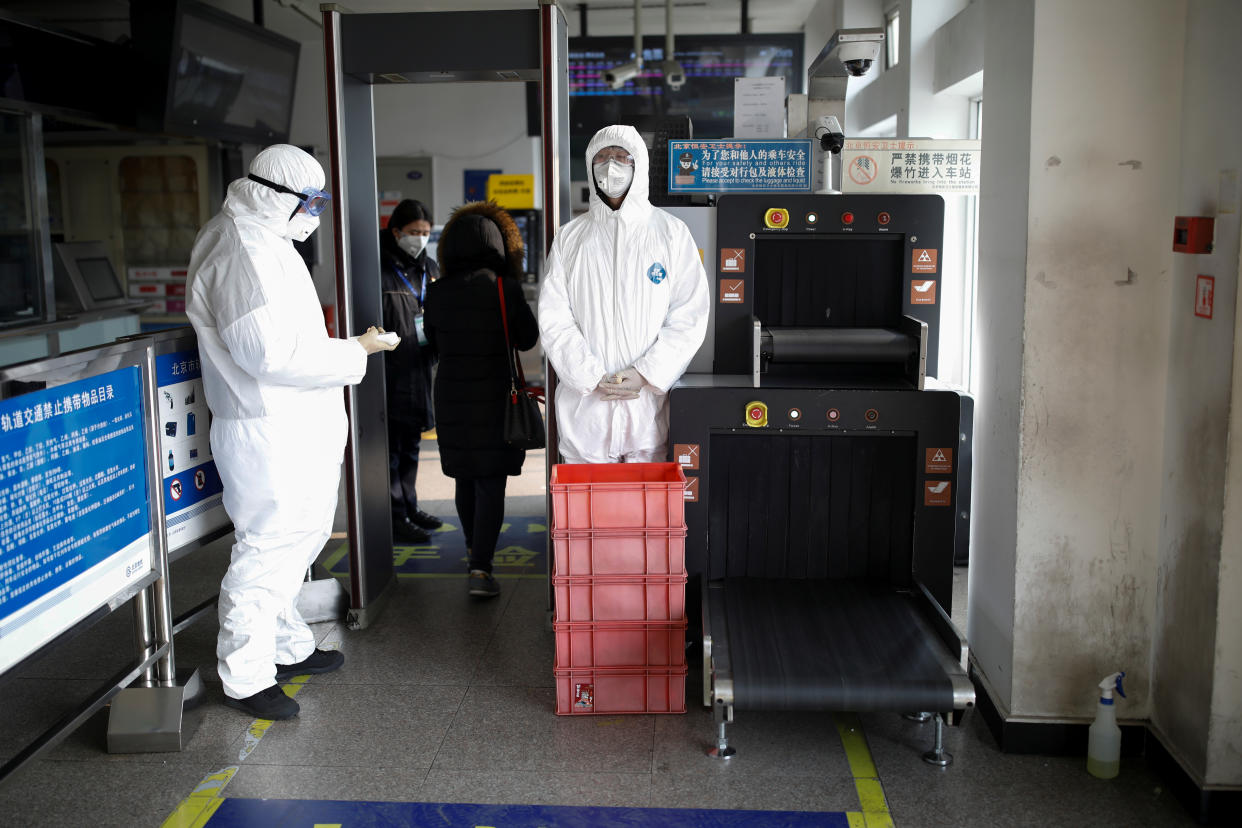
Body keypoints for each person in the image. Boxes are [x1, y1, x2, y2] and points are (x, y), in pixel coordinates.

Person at [186, 144, 397, 720]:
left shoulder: (265, 239)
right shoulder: (240, 250)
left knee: (298, 544)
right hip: (267, 431)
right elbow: (269, 356)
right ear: (270, 194)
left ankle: (282, 646)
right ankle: (246, 675)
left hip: (295, 426)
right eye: (310, 202)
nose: (315, 213)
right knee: (267, 552)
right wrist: (355, 350)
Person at [538, 124, 710, 463]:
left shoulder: (670, 233)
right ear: (589, 167)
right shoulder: (570, 239)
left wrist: (646, 373)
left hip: (646, 411)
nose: (610, 166)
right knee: (587, 512)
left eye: (621, 157)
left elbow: (689, 316)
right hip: (585, 415)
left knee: (642, 511)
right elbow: (554, 317)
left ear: (639, 165)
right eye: (601, 158)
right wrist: (589, 375)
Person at [423, 201, 538, 599]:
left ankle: (475, 553)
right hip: (494, 397)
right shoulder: (504, 289)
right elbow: (527, 339)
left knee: (465, 477)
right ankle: (480, 568)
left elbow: (434, 346)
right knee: (491, 482)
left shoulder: (436, 293)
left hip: (452, 395)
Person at [380, 199, 443, 545]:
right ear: (396, 232)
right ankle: (395, 516)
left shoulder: (429, 268)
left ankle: (411, 506)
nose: (419, 238)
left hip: (419, 370)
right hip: (388, 371)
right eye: (413, 232)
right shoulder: (381, 268)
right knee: (391, 448)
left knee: (412, 445)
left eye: (424, 232)